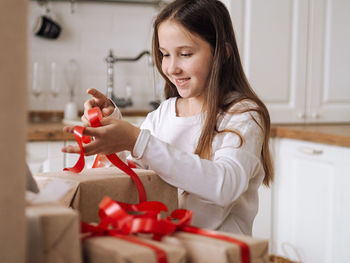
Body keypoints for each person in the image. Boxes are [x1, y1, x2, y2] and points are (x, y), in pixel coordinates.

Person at [62, 0, 273, 235]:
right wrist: (113, 127)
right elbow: (140, 168)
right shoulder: (165, 112)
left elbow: (224, 186)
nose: (171, 68)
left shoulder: (243, 115)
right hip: (171, 249)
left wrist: (135, 140)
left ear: (222, 53)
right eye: (164, 54)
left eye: (185, 54)